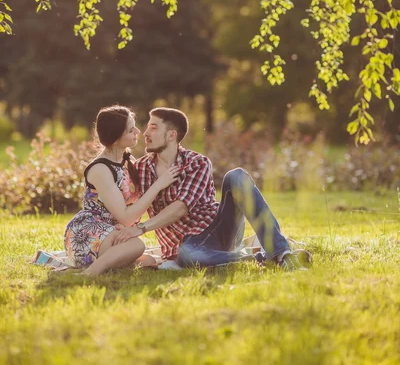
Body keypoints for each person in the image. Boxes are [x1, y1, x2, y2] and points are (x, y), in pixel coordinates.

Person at [112, 107, 309, 271]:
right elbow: (130, 205)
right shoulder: (140, 169)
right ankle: (260, 258)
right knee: (188, 254)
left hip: (217, 229)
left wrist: (141, 229)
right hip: (184, 247)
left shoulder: (197, 163)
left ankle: (282, 253)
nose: (145, 133)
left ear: (171, 135)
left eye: (153, 128)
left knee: (236, 175)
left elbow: (181, 207)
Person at [64, 105, 180, 276]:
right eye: (131, 130)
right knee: (137, 246)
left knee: (148, 260)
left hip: (115, 232)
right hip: (87, 231)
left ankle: (114, 261)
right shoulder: (100, 169)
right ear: (116, 137)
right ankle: (90, 273)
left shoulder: (128, 161)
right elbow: (126, 218)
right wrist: (159, 184)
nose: (138, 132)